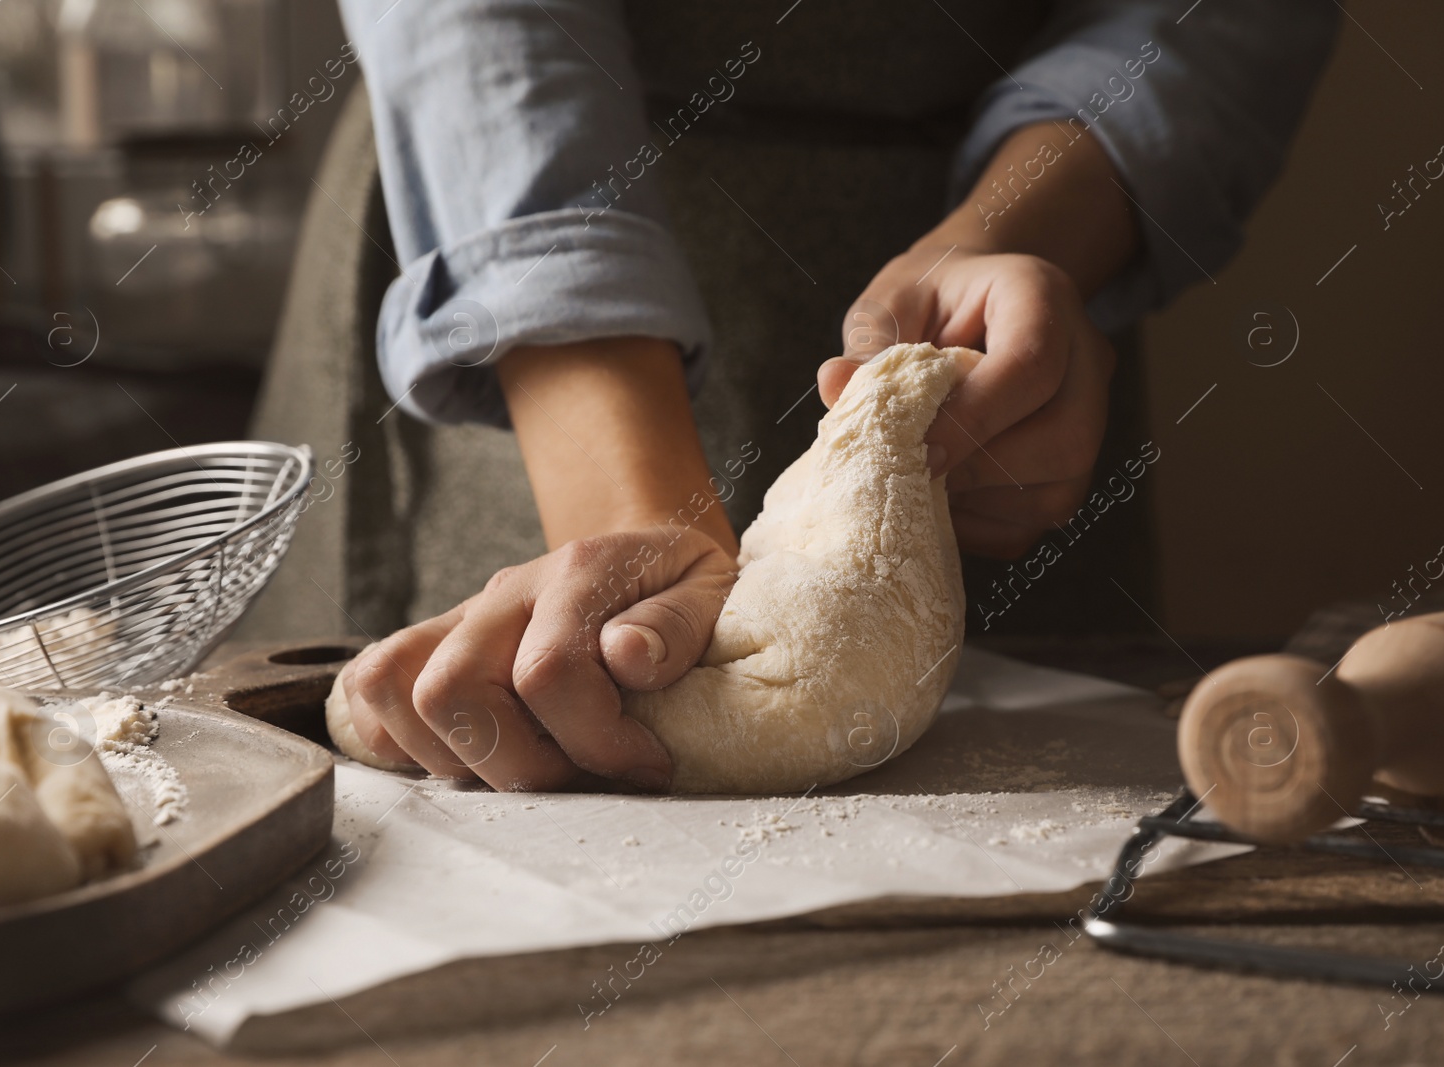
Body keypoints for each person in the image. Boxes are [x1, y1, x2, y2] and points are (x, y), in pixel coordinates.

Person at [328, 0, 1338, 792]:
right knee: (481, 726)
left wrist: (1003, 242)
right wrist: (634, 558)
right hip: (510, 250)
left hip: (1011, 228)